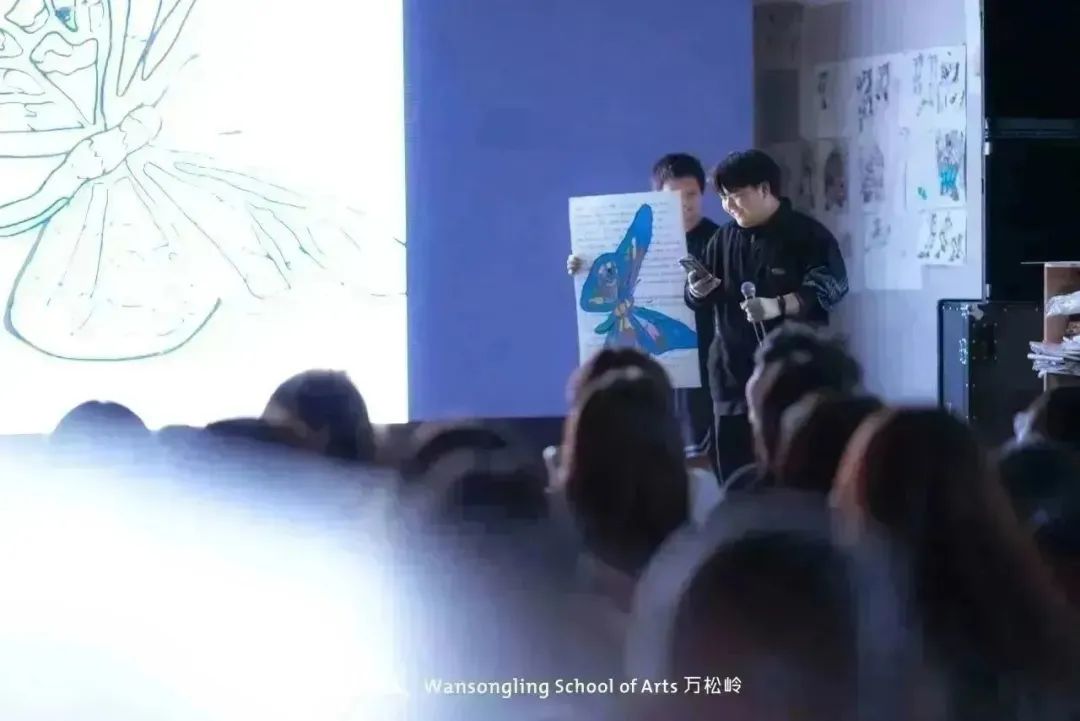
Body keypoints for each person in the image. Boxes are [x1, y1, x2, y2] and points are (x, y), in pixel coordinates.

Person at [684, 150, 848, 480]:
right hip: (732, 377)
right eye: (724, 198)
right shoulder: (722, 238)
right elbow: (698, 297)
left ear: (764, 189)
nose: (729, 205)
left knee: (795, 472)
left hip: (794, 380)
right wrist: (696, 291)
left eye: (736, 195)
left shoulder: (807, 234)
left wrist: (779, 305)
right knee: (735, 475)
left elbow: (831, 287)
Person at [567, 153, 720, 468]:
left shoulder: (719, 240)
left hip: (703, 361)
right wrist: (582, 266)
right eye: (674, 197)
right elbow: (605, 272)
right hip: (650, 362)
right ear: (657, 198)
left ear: (702, 194)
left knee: (699, 449)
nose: (684, 204)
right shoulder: (642, 242)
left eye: (691, 195)